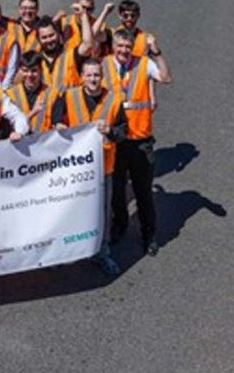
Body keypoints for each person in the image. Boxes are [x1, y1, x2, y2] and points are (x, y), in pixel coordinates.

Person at [51, 58, 126, 275]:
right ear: (82, 77)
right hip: (76, 171)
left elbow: (123, 132)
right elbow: (56, 113)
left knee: (101, 212)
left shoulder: (114, 99)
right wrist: (58, 123)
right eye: (89, 75)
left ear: (102, 77)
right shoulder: (70, 95)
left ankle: (102, 253)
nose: (93, 80)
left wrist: (110, 131)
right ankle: (67, 253)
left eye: (96, 75)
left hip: (104, 167)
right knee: (69, 210)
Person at [105, 28, 172, 256]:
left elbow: (166, 78)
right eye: (119, 46)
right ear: (113, 46)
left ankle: (148, 235)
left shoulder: (144, 64)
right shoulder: (103, 66)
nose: (123, 50)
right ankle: (120, 225)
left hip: (140, 141)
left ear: (132, 47)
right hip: (116, 142)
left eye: (127, 46)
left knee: (143, 193)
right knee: (117, 192)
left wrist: (157, 53)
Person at [5, 51, 56, 133]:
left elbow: (57, 122)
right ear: (20, 71)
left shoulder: (52, 94)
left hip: (44, 143)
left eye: (34, 71)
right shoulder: (10, 95)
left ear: (41, 71)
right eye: (25, 71)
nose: (29, 75)